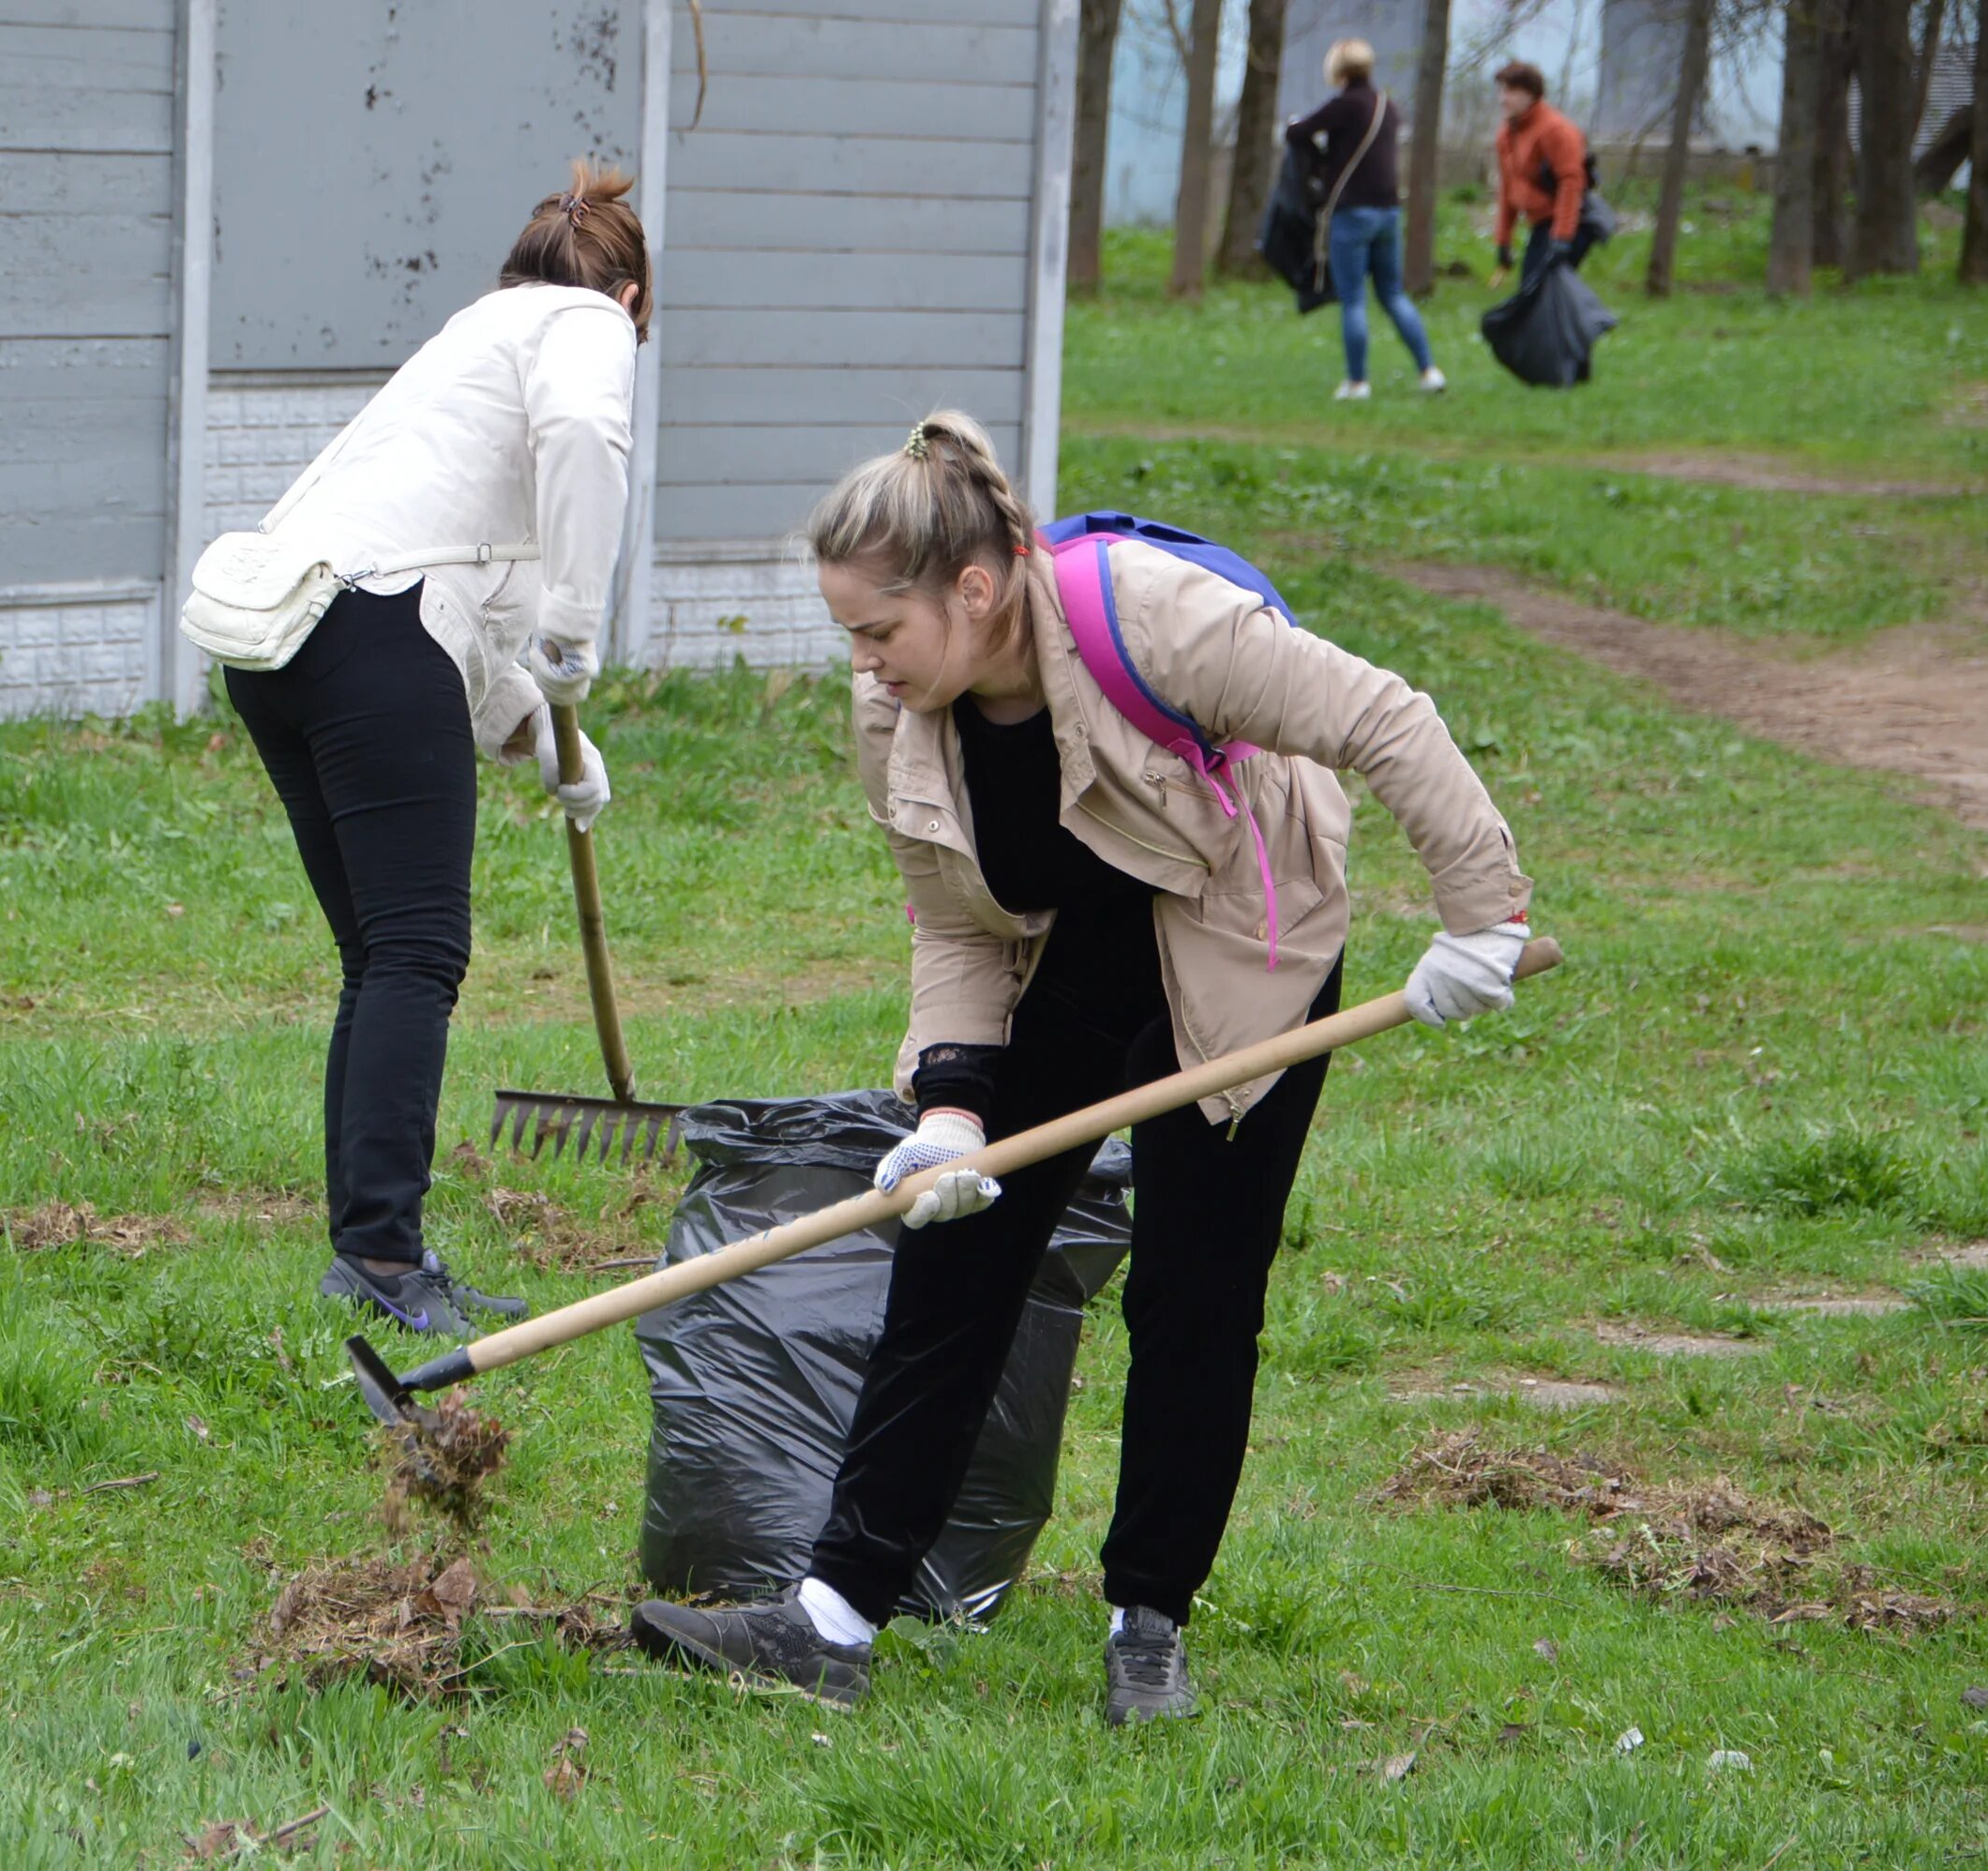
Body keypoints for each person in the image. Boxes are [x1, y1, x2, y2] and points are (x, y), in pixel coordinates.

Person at [630, 415, 1532, 1721]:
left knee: (1194, 1282)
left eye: (880, 631)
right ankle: (832, 1617)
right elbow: (952, 915)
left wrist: (1481, 919)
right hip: (1073, 942)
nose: (864, 664)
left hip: (1238, 932)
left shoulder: (1159, 622)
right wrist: (949, 1110)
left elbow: (1386, 717)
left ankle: (1147, 1621)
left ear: (977, 589)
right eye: (850, 638)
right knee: (955, 1242)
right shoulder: (898, 708)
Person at [217, 163, 645, 1337]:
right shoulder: (584, 325)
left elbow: (441, 593)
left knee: (378, 957)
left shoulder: (474, 337)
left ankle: (369, 1248)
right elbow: (586, 437)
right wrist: (575, 619)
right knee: (415, 953)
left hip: (280, 641)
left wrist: (542, 733)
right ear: (634, 298)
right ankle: (389, 1264)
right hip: (359, 629)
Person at [1285, 38, 1443, 401]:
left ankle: (1357, 383)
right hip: (1388, 212)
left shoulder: (1344, 105)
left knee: (1354, 300)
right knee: (1393, 295)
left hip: (1352, 214)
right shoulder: (1386, 106)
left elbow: (1297, 132)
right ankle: (1429, 371)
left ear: (1337, 70)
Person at [1491, 62, 1596, 289]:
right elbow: (1508, 190)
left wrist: (1562, 237)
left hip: (1571, 223)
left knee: (1538, 295)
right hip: (1542, 225)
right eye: (1500, 90)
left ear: (1530, 95)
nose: (1502, 99)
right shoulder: (1506, 135)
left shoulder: (1556, 130)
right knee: (1535, 295)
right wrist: (1504, 240)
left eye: (1509, 91)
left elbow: (1571, 183)